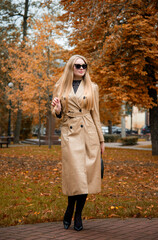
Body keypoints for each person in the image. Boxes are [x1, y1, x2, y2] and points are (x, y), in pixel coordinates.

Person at [51, 55, 105, 231]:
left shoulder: (93, 87)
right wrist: (57, 110)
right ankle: (69, 210)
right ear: (70, 67)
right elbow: (56, 112)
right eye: (78, 66)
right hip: (70, 133)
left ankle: (78, 215)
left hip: (89, 133)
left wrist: (101, 140)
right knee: (75, 176)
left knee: (87, 176)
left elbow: (96, 115)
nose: (82, 69)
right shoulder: (60, 86)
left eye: (84, 66)